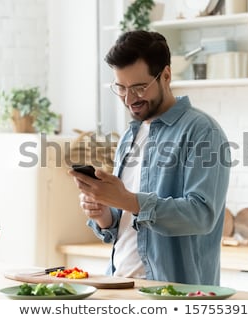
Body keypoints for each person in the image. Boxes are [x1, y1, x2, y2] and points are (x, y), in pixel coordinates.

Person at [69, 30, 230, 285]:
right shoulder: (130, 135)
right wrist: (104, 213)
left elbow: (202, 215)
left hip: (173, 294)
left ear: (166, 75)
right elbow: (127, 222)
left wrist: (128, 200)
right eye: (120, 88)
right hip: (120, 285)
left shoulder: (202, 131)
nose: (129, 99)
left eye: (139, 87)